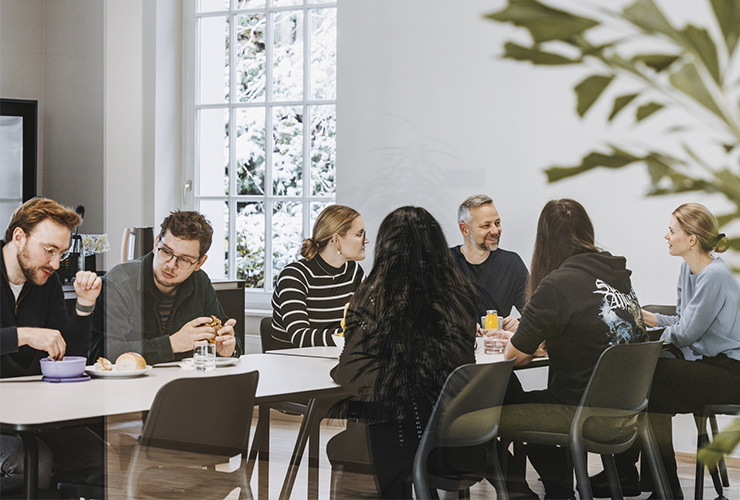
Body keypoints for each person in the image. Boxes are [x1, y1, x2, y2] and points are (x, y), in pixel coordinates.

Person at [590, 203, 740, 499]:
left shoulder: (714, 276)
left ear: (692, 239)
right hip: (709, 365)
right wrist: (646, 317)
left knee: (649, 379)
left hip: (730, 373)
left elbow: (685, 334)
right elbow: (683, 321)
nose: (666, 236)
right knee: (648, 386)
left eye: (672, 231)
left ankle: (641, 477)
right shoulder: (689, 269)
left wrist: (648, 333)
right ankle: (650, 481)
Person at [501, 199, 647, 500]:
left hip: (583, 411)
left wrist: (521, 340)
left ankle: (555, 492)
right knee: (534, 404)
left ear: (545, 240)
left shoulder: (558, 283)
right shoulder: (616, 273)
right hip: (627, 410)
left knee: (510, 404)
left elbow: (515, 357)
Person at [330, 206, 478, 499]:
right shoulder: (461, 291)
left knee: (362, 424)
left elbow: (353, 368)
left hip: (406, 439)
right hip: (460, 440)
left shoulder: (377, 294)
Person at [0, 198, 102, 488]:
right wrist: (25, 334)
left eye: (62, 253)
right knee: (35, 462)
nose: (56, 263)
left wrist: (84, 306)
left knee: (98, 459)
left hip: (31, 412)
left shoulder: (47, 284)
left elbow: (67, 354)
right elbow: (32, 337)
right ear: (19, 237)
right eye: (49, 250)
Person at [90, 210, 241, 365]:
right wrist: (171, 344)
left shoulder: (200, 282)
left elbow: (228, 335)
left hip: (183, 384)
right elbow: (102, 352)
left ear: (200, 263)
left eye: (184, 259)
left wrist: (228, 350)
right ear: (156, 244)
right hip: (129, 386)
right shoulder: (119, 283)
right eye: (166, 251)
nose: (170, 265)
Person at [271, 204, 367, 347]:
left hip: (333, 361)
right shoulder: (294, 276)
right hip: (291, 363)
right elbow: (300, 337)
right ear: (336, 240)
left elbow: (368, 322)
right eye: (359, 234)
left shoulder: (354, 272)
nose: (366, 240)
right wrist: (352, 335)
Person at [451, 195, 528, 332]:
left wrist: (519, 323)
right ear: (464, 229)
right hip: (454, 350)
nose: (495, 231)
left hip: (496, 349)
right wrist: (458, 326)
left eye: (497, 223)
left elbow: (536, 312)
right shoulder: (444, 263)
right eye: (486, 225)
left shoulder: (511, 264)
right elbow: (426, 316)